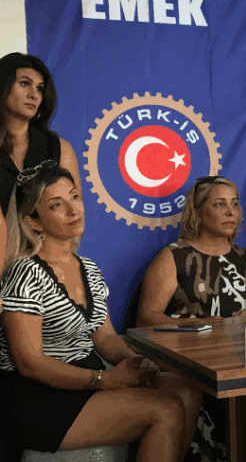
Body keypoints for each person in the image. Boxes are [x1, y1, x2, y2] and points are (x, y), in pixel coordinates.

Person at [0, 161, 201, 461]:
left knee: (185, 390)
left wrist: (136, 362)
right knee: (165, 410)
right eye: (56, 205)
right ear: (34, 222)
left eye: (74, 197)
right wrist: (104, 380)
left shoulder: (89, 268)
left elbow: (105, 337)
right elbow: (30, 363)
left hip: (86, 378)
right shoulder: (25, 273)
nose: (73, 210)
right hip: (35, 396)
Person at [136, 175, 246, 462]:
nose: (230, 212)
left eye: (234, 204)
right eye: (220, 204)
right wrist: (200, 326)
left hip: (238, 362)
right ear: (198, 213)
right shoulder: (174, 256)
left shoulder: (245, 259)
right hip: (188, 365)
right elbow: (146, 319)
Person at [0, 53, 82, 262]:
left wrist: (53, 269)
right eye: (24, 84)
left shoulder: (59, 148)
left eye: (39, 88)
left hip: (45, 267)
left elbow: (73, 219)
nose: (34, 95)